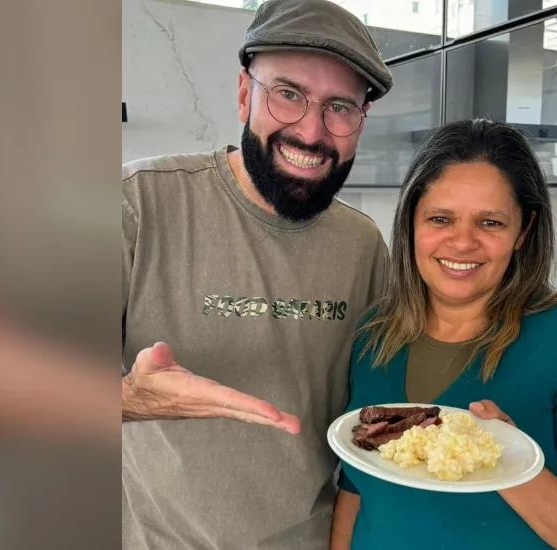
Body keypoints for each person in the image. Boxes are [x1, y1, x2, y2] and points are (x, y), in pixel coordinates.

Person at [120, 0, 394, 548]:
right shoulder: (139, 203)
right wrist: (131, 398)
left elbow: (376, 404)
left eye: (340, 106)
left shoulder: (362, 244)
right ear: (245, 93)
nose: (312, 132)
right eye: (288, 94)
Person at [330, 119, 557, 550]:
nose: (462, 242)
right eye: (440, 218)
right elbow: (356, 489)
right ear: (411, 221)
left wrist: (503, 459)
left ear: (524, 230)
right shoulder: (374, 334)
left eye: (490, 223)